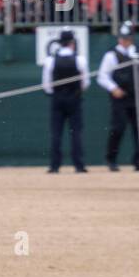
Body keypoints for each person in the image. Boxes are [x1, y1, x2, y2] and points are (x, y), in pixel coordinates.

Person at [97, 22, 139, 171]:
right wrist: (113, 88)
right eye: (122, 38)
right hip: (120, 97)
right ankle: (111, 160)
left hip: (138, 97)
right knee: (118, 128)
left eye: (127, 38)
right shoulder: (111, 55)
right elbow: (102, 76)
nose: (124, 41)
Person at [42, 29, 89, 173]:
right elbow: (85, 83)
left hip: (57, 99)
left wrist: (56, 93)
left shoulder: (50, 60)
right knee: (76, 133)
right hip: (74, 99)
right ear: (72, 43)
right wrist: (75, 92)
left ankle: (54, 166)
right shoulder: (80, 60)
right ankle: (79, 165)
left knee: (56, 133)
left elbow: (46, 85)